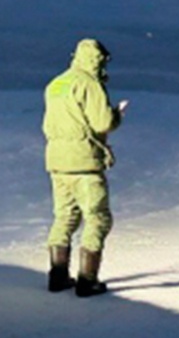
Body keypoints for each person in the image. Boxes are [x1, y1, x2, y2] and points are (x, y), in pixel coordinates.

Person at [42, 38, 127, 297]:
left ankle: (57, 277)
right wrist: (117, 115)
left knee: (64, 216)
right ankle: (87, 280)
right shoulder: (90, 84)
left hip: (57, 162)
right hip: (84, 163)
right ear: (98, 59)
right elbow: (102, 123)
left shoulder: (56, 83)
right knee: (97, 217)